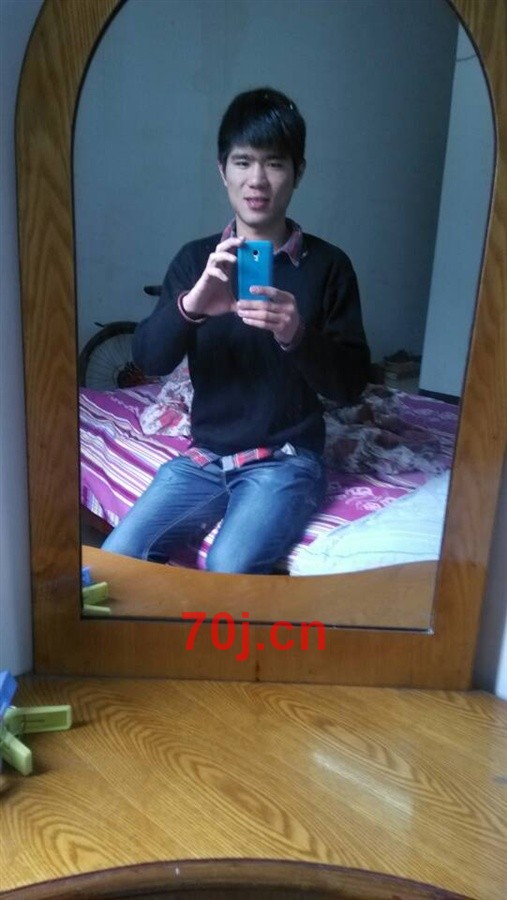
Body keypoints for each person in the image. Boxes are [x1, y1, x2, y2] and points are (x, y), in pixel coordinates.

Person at [102, 87, 370, 573]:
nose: (257, 179)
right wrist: (190, 306)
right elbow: (148, 360)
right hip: (206, 458)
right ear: (222, 170)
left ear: (298, 172)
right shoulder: (195, 260)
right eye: (243, 162)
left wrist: (296, 334)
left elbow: (350, 385)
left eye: (275, 163)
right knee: (117, 558)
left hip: (287, 459)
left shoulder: (329, 266)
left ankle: (220, 628)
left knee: (228, 566)